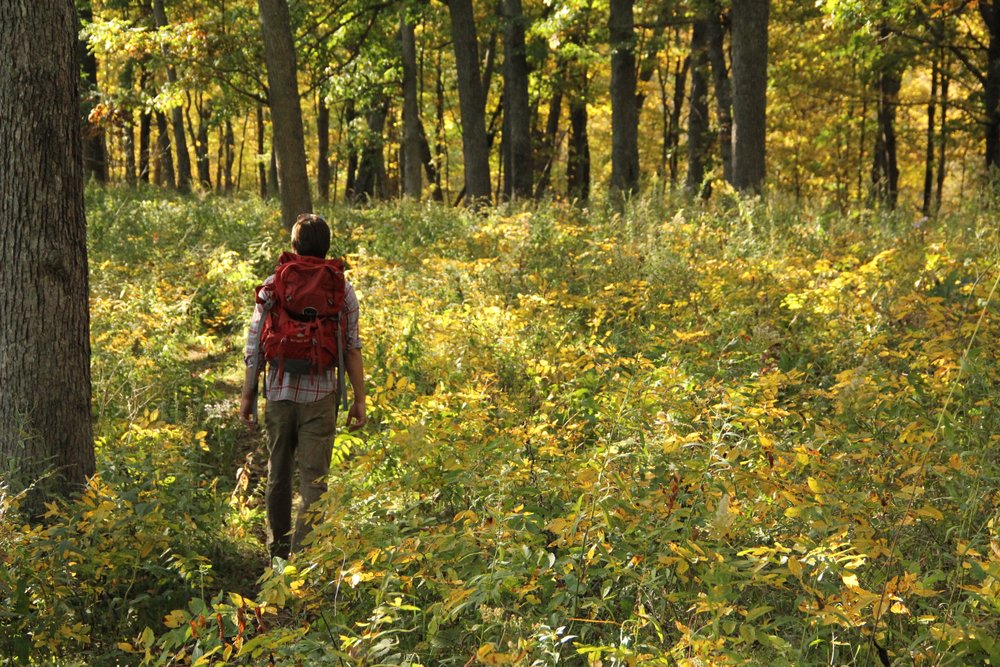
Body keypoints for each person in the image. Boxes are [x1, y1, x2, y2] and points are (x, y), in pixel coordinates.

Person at [239, 213, 367, 560]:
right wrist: (359, 399)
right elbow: (352, 347)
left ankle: (278, 555)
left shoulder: (273, 284)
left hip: (279, 393)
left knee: (278, 475)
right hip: (321, 396)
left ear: (294, 246)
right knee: (314, 481)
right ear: (327, 248)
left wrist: (248, 395)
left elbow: (254, 344)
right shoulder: (342, 290)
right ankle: (304, 562)